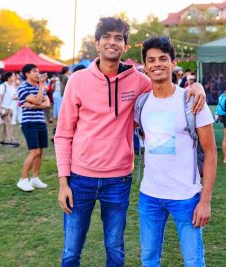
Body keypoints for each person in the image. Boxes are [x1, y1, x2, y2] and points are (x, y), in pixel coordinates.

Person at [54, 17, 206, 267]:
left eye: (118, 38)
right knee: (71, 251)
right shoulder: (78, 81)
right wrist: (63, 182)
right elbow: (63, 135)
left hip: (118, 180)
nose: (112, 42)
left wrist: (197, 86)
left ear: (125, 46)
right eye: (106, 37)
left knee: (115, 249)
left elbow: (165, 89)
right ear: (97, 43)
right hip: (79, 178)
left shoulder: (138, 80)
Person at [135, 36, 217, 267]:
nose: (157, 64)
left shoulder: (192, 101)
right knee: (149, 259)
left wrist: (205, 200)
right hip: (149, 196)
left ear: (173, 63)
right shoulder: (141, 103)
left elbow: (210, 153)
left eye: (163, 58)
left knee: (193, 261)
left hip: (186, 197)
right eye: (151, 60)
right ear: (144, 66)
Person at [16, 64, 50, 192]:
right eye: (34, 71)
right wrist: (39, 93)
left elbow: (46, 103)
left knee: (40, 152)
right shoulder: (23, 87)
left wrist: (33, 105)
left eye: (38, 71)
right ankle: (23, 179)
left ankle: (35, 178)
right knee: (34, 152)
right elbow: (37, 100)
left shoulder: (38, 87)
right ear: (27, 74)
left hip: (41, 122)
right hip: (29, 123)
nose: (38, 73)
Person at [0, 72, 19, 147]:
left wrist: (19, 97)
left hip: (11, 108)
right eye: (13, 76)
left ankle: (3, 139)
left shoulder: (13, 86)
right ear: (9, 78)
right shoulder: (3, 86)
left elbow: (13, 96)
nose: (15, 77)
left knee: (6, 125)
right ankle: (11, 140)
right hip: (4, 108)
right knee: (9, 123)